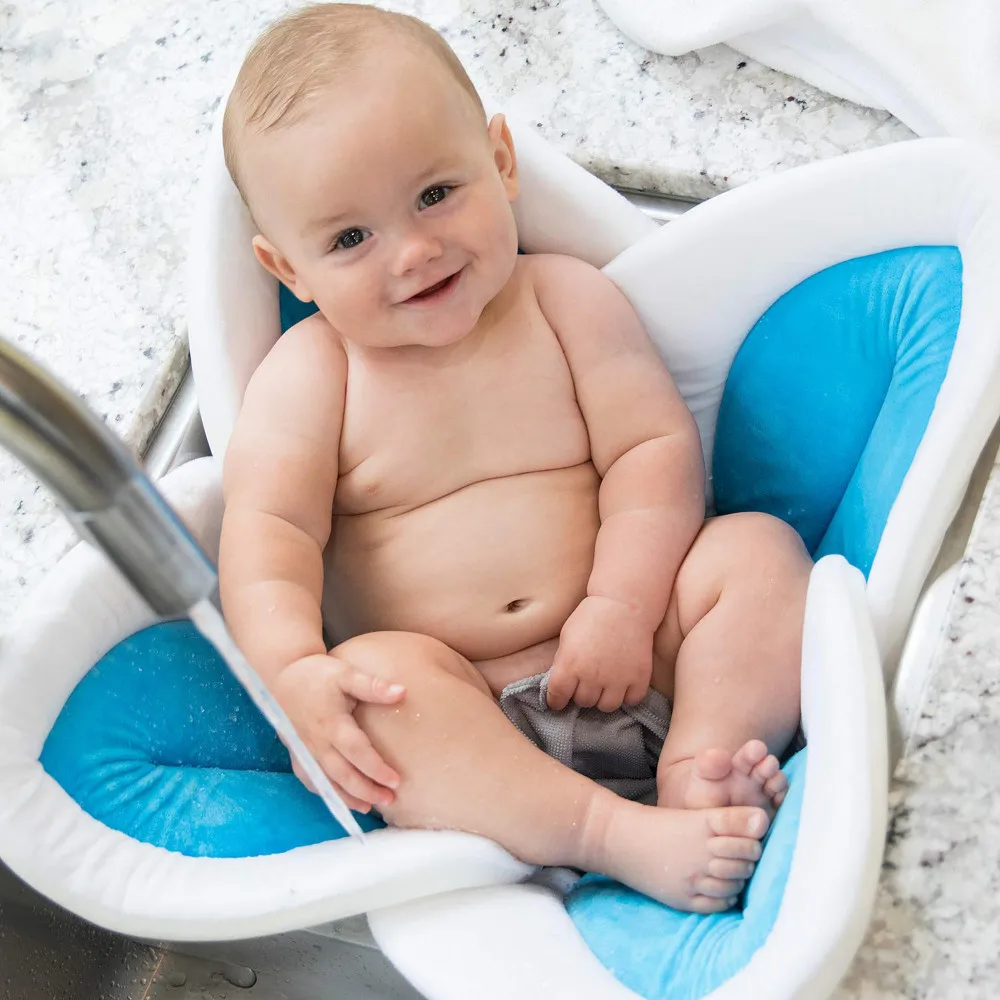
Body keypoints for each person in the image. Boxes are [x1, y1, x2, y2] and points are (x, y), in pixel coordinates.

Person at [219, 2, 812, 913]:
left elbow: (652, 453)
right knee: (380, 693)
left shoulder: (566, 302)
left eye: (435, 194)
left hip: (636, 650)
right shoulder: (311, 376)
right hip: (470, 712)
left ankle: (700, 765)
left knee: (758, 554)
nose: (414, 252)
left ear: (500, 164)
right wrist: (296, 671)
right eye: (349, 239)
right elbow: (268, 540)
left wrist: (623, 605)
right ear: (287, 270)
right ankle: (614, 835)